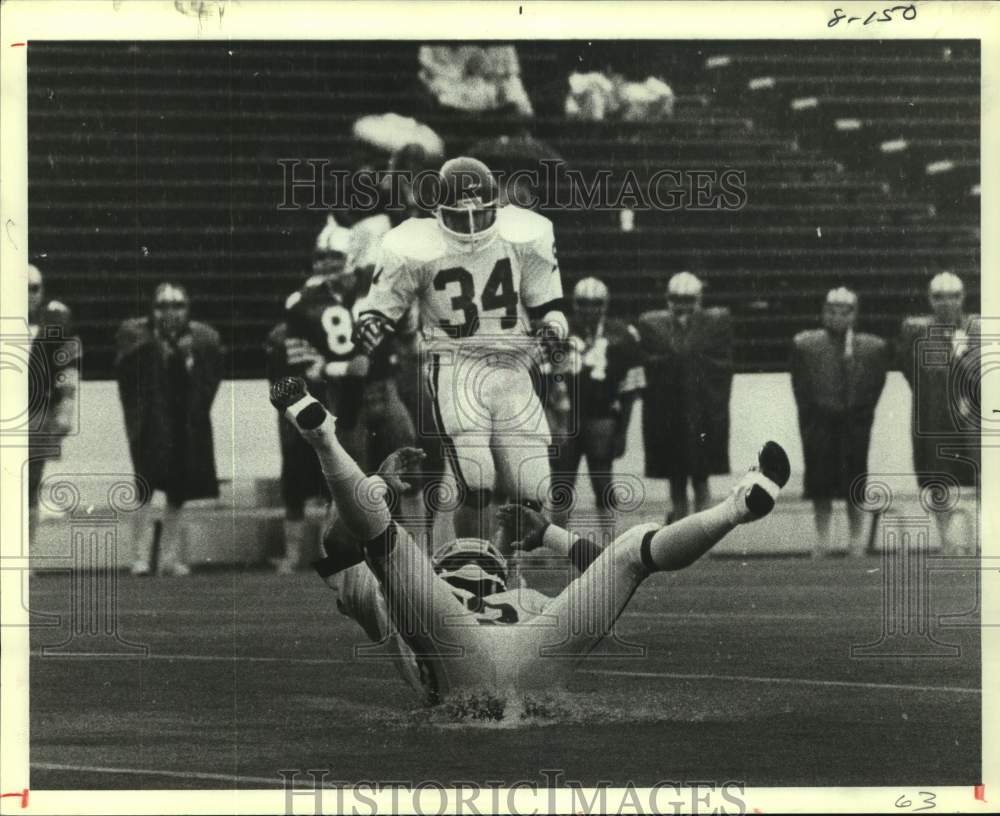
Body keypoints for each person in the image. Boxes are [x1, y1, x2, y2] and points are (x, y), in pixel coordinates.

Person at [270, 375, 790, 709]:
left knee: (387, 540)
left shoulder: (419, 587)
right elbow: (336, 544)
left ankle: (324, 439)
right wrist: (555, 538)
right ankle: (736, 508)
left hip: (463, 665)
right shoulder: (512, 593)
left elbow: (339, 545)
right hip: (525, 665)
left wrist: (377, 488)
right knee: (633, 549)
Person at [353, 156, 568, 541]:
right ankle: (469, 564)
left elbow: (547, 306)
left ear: (495, 209)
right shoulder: (415, 243)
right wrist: (371, 322)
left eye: (480, 216)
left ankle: (503, 566)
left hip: (514, 366)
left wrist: (554, 328)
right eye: (458, 217)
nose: (470, 228)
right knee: (476, 476)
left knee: (532, 486)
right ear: (438, 212)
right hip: (454, 362)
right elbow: (380, 306)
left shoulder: (524, 235)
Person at [265, 217, 415, 572]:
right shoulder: (302, 302)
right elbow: (308, 365)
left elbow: (404, 326)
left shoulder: (374, 286)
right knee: (349, 477)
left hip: (384, 387)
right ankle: (344, 555)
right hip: (345, 397)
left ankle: (416, 546)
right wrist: (342, 368)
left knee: (410, 463)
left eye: (333, 254)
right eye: (320, 256)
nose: (326, 263)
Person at [116, 283, 224, 576]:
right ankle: (138, 556)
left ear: (187, 309)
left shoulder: (203, 339)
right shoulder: (136, 336)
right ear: (152, 310)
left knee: (178, 492)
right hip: (152, 421)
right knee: (145, 488)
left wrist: (187, 359)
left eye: (177, 306)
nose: (170, 312)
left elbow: (209, 382)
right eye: (163, 306)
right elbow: (129, 377)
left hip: (184, 421)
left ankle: (168, 557)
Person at [791, 288, 889, 556]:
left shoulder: (870, 347)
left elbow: (874, 386)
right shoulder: (807, 345)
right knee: (820, 484)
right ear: (823, 312)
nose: (837, 317)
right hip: (819, 424)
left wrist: (858, 412)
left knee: (854, 482)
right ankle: (822, 540)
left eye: (844, 311)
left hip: (853, 423)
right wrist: (815, 414)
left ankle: (856, 540)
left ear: (855, 314)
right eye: (831, 311)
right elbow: (801, 387)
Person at [637, 271, 734, 522]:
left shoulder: (713, 324)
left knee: (701, 477)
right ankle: (679, 530)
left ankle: (703, 530)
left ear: (698, 299)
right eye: (677, 299)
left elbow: (718, 365)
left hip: (701, 414)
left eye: (688, 299)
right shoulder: (654, 325)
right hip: (670, 415)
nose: (682, 305)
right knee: (676, 479)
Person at [549, 277, 645, 524]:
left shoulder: (622, 334)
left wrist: (622, 431)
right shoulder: (560, 332)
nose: (589, 309)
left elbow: (630, 390)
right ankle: (557, 544)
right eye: (583, 303)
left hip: (602, 418)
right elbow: (545, 382)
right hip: (565, 418)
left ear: (605, 304)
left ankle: (609, 542)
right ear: (574, 303)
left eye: (595, 303)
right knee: (561, 485)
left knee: (603, 483)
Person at [898, 271, 980, 554]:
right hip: (934, 415)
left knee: (983, 476)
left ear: (963, 298)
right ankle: (947, 540)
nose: (947, 303)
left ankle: (982, 537)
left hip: (972, 418)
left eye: (953, 296)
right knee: (938, 478)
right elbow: (911, 372)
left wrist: (960, 357)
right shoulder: (916, 331)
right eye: (939, 297)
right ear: (930, 300)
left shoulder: (977, 328)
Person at [27, 263, 80, 544]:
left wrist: (67, 406)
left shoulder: (55, 321)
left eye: (33, 289)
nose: (28, 295)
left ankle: (25, 552)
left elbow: (68, 366)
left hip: (37, 410)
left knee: (30, 484)